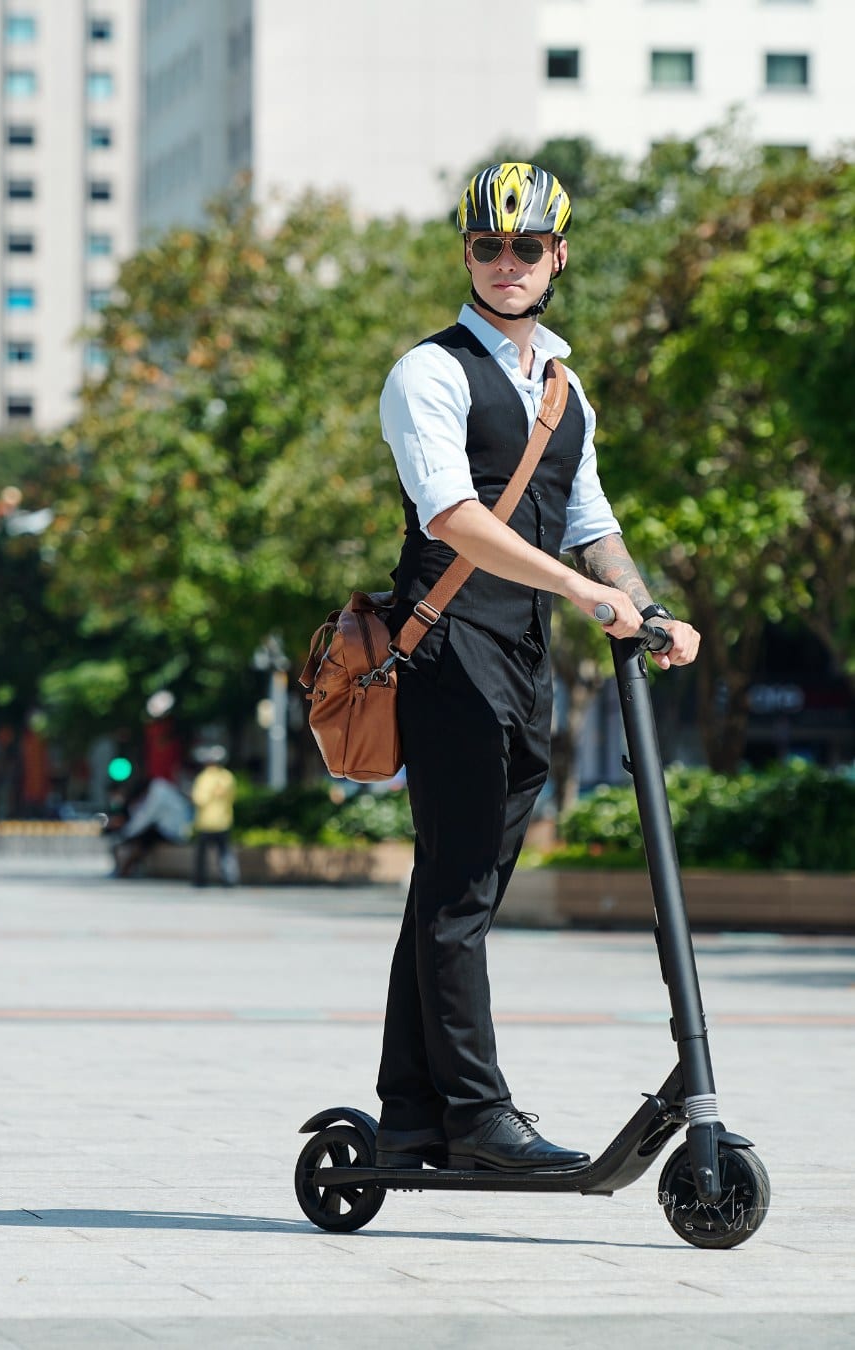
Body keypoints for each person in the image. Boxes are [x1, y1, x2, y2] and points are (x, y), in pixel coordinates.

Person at [373, 161, 700, 1174]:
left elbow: (591, 518)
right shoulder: (428, 373)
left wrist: (642, 605)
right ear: (466, 254)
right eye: (487, 247)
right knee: (461, 888)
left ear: (557, 256)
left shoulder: (563, 384)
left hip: (521, 653)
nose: (506, 264)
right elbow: (452, 515)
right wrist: (578, 591)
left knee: (455, 886)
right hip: (448, 644)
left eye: (525, 248)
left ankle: (412, 1110)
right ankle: (477, 1115)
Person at [112, 776, 192, 878]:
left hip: (175, 830)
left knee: (146, 836)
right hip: (169, 827)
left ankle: (126, 868)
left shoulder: (158, 793)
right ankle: (124, 867)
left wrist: (126, 833)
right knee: (143, 835)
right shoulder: (159, 788)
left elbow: (146, 817)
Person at [190, 747, 239, 888]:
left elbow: (199, 799)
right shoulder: (228, 777)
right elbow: (233, 796)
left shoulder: (204, 778)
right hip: (224, 821)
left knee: (201, 854)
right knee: (225, 853)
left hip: (206, 822)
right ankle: (229, 879)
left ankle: (200, 880)